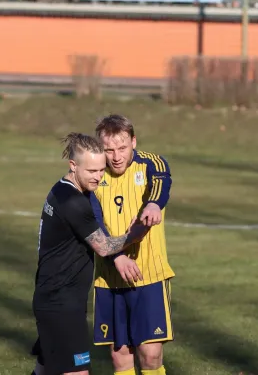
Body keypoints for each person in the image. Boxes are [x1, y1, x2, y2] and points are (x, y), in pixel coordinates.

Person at [32, 132, 148, 375]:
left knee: (44, 370)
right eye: (91, 171)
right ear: (73, 166)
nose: (98, 177)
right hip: (61, 303)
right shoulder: (74, 202)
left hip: (54, 298)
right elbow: (104, 247)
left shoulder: (62, 189)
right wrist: (137, 232)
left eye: (101, 170)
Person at [91, 114, 175, 375]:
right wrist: (116, 258)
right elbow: (91, 222)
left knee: (150, 355)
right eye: (109, 150)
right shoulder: (93, 174)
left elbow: (161, 179)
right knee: (119, 358)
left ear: (133, 142)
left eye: (122, 148)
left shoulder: (150, 164)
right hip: (110, 278)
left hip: (149, 275)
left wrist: (153, 203)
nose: (116, 156)